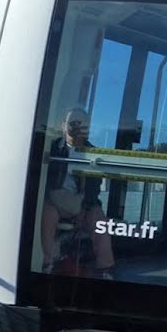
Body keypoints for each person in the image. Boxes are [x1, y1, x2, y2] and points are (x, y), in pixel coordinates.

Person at [40, 108, 116, 279]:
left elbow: (94, 188)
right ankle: (49, 261)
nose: (75, 127)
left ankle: (106, 269)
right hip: (57, 201)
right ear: (63, 125)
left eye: (80, 123)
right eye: (71, 123)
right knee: (47, 213)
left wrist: (85, 208)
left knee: (100, 223)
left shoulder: (94, 154)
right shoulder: (53, 149)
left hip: (83, 202)